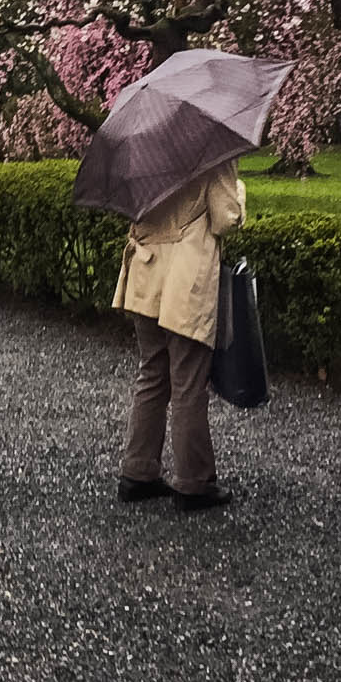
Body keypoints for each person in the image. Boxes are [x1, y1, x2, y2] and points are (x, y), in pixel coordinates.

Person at [113, 159, 245, 512]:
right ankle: (193, 481)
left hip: (146, 271)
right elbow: (226, 217)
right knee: (188, 381)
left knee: (153, 373)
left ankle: (138, 472)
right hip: (184, 279)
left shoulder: (145, 148)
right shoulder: (213, 152)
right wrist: (240, 192)